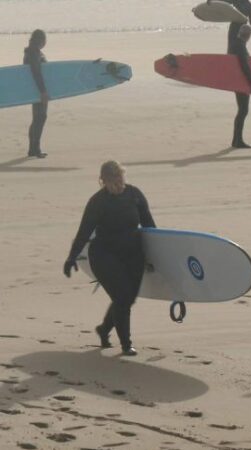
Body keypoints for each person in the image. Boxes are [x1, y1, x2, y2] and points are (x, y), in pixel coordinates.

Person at [63, 161, 156, 356]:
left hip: (133, 254)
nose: (117, 185)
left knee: (127, 299)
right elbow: (84, 232)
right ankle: (126, 344)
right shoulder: (98, 202)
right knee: (122, 297)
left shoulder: (134, 194)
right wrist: (72, 257)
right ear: (102, 181)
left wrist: (157, 256)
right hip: (104, 255)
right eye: (112, 181)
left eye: (120, 179)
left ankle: (104, 329)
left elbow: (149, 226)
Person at [228, 23, 251, 148]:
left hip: (236, 81)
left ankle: (236, 140)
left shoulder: (233, 45)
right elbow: (245, 66)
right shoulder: (240, 47)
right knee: (243, 110)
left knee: (241, 110)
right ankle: (238, 141)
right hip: (242, 82)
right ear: (248, 36)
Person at [24, 29, 48, 158]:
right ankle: (34, 149)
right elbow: (36, 72)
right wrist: (43, 91)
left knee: (38, 118)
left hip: (36, 89)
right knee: (40, 117)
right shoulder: (33, 52)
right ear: (41, 40)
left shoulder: (32, 51)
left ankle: (33, 149)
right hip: (38, 90)